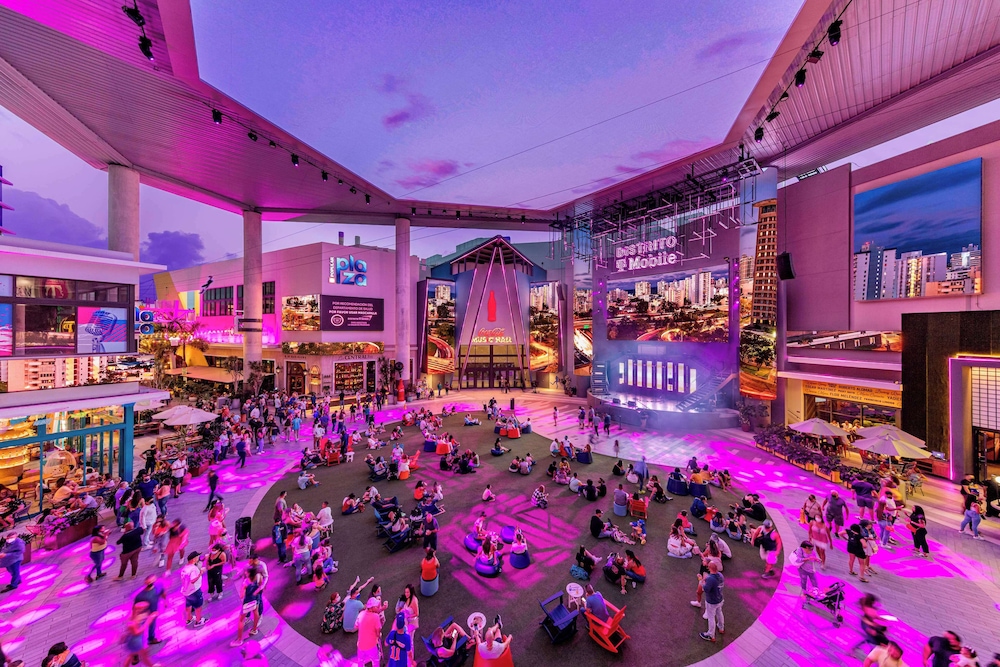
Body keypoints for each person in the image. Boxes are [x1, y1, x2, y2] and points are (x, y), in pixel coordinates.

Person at [121, 601, 162, 667]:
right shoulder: (131, 622)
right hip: (136, 642)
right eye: (140, 608)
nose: (142, 610)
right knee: (143, 655)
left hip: (136, 640)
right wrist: (149, 620)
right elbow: (137, 633)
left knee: (132, 655)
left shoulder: (135, 616)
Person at [133, 574, 167, 645]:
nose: (149, 583)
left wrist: (165, 601)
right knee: (142, 628)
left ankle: (151, 638)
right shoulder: (140, 596)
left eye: (151, 581)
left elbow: (163, 593)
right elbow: (135, 608)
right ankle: (141, 643)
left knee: (152, 626)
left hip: (153, 612)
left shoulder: (158, 588)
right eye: (148, 582)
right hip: (144, 615)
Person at [698, 561, 725, 642]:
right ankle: (721, 627)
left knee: (711, 617)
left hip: (712, 601)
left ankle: (710, 635)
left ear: (709, 568)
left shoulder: (710, 579)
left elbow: (706, 589)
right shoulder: (720, 575)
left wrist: (701, 580)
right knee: (719, 612)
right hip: (720, 599)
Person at [180, 552, 207, 627]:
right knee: (198, 607)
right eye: (197, 557)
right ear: (194, 559)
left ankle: (189, 618)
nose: (198, 558)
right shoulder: (193, 569)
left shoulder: (185, 568)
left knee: (188, 605)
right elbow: (193, 580)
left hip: (186, 591)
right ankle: (198, 621)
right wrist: (200, 573)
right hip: (194, 591)